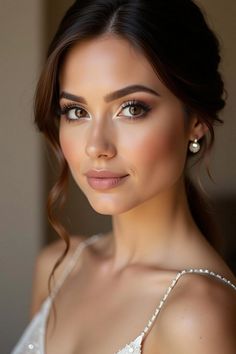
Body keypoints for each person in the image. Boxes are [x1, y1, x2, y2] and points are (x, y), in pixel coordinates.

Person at [11, 1, 236, 353]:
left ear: (196, 120)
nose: (96, 146)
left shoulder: (197, 316)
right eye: (76, 111)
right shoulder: (57, 267)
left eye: (132, 108)